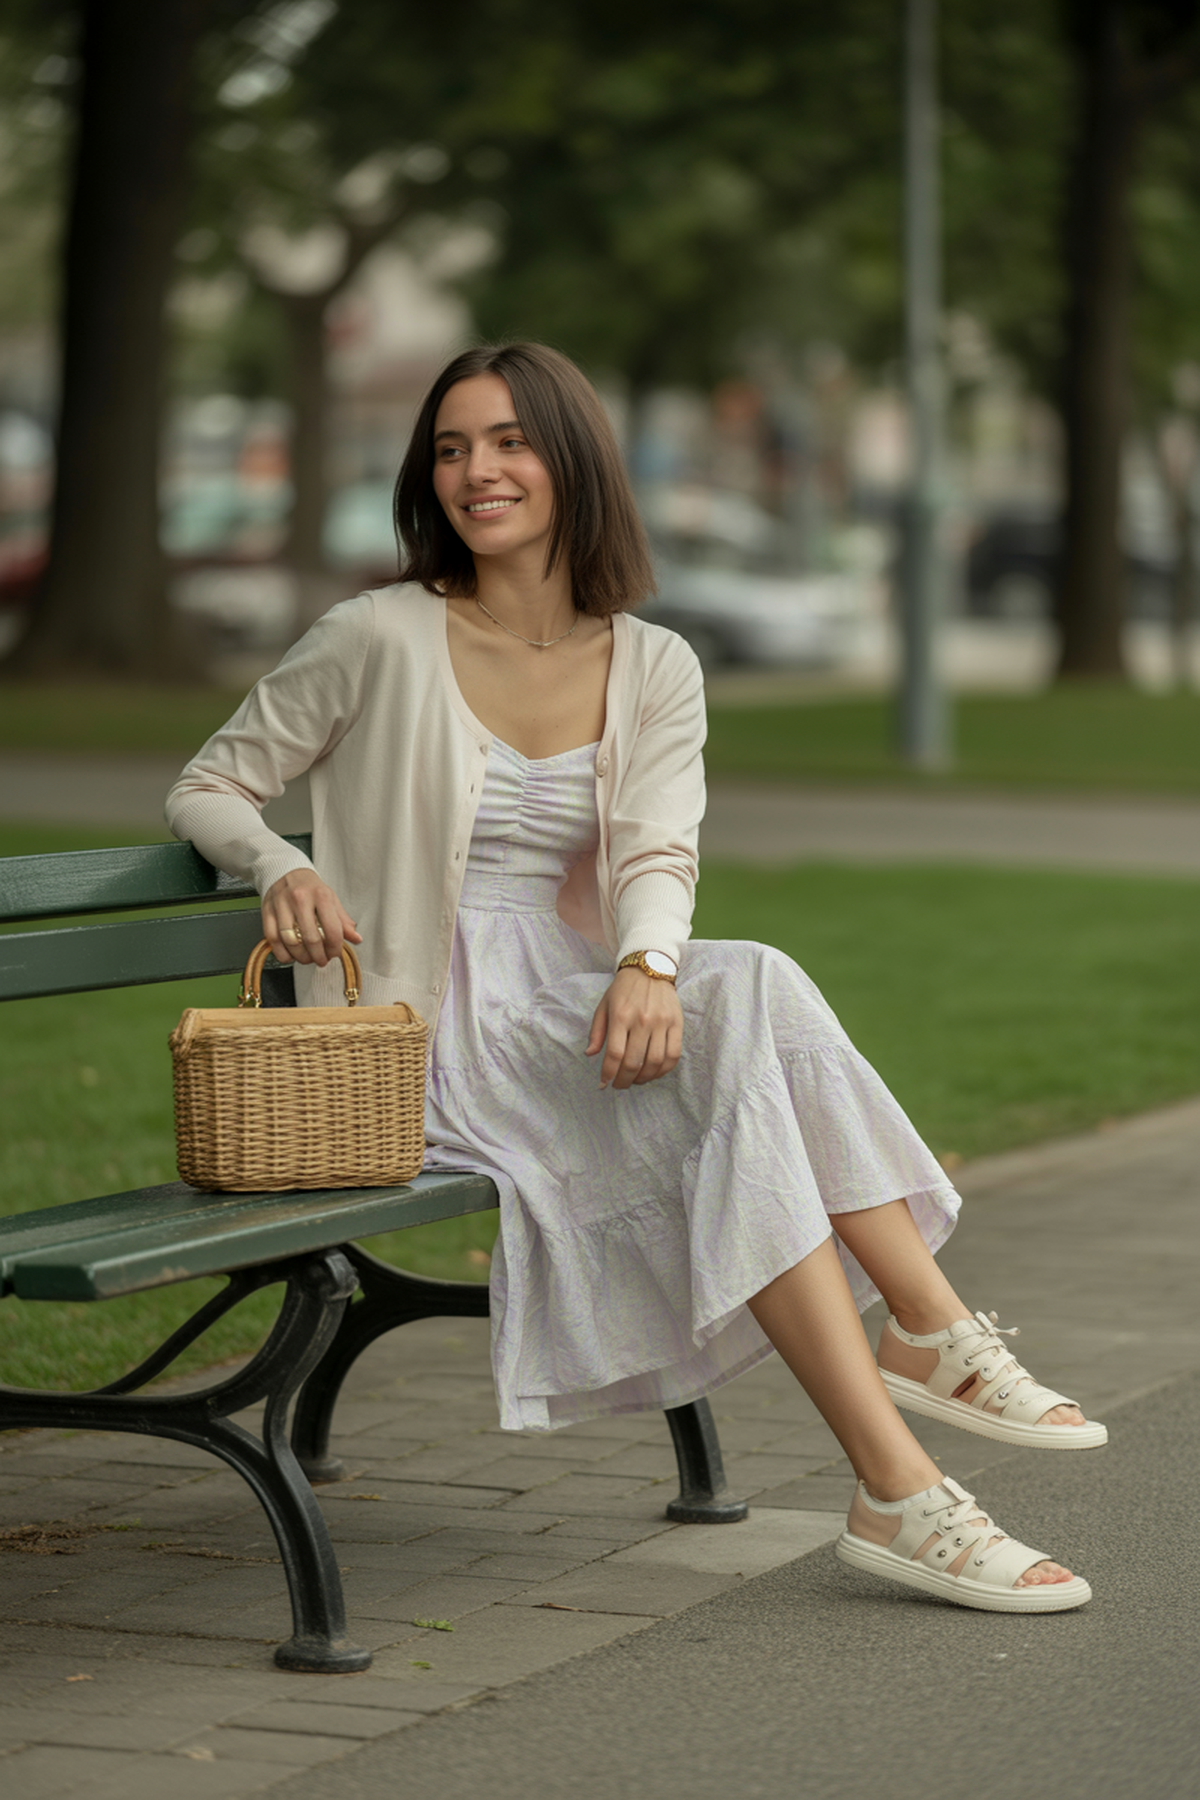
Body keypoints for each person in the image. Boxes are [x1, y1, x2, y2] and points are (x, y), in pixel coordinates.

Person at [167, 341, 1106, 1614]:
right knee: (740, 1076)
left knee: (746, 1022)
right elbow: (207, 783)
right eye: (450, 448)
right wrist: (278, 862)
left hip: (566, 1006)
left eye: (506, 441)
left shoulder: (655, 666)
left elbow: (660, 847)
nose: (475, 471)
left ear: (573, 460)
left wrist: (649, 963)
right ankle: (919, 1386)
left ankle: (905, 1462)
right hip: (422, 1033)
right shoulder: (377, 636)